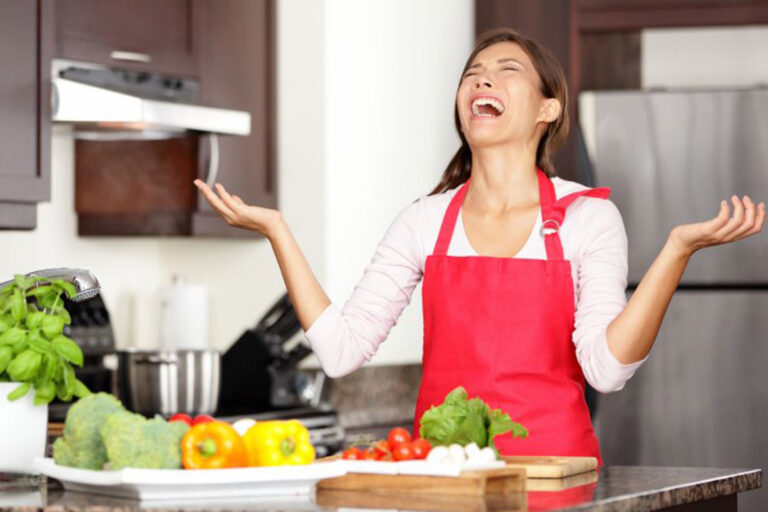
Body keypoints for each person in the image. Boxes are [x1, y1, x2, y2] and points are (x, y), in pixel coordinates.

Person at [194, 28, 764, 466]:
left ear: (548, 108)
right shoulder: (425, 220)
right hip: (445, 478)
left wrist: (675, 252)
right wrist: (279, 233)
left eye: (506, 70)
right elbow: (342, 352)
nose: (482, 80)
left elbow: (607, 370)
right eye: (474, 73)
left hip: (554, 474)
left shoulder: (586, 217)